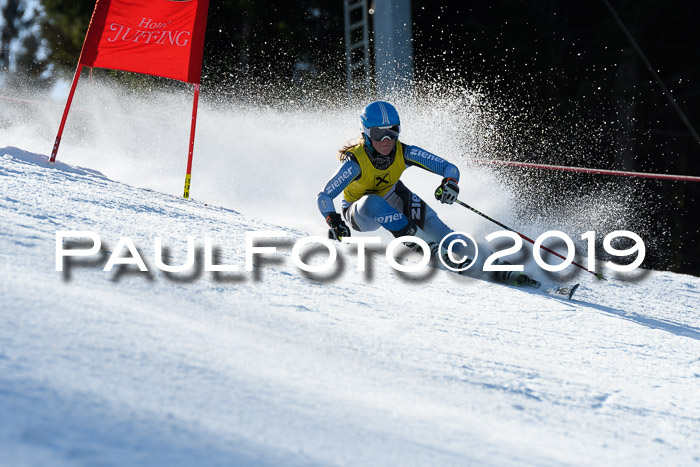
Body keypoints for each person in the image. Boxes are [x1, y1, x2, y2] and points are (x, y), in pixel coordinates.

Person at [317, 100, 537, 285]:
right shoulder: (355, 162)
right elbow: (325, 196)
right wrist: (335, 221)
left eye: (392, 132)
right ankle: (427, 247)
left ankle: (499, 266)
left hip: (395, 196)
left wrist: (450, 183)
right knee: (373, 202)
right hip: (359, 212)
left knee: (445, 234)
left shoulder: (404, 152)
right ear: (365, 133)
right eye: (378, 133)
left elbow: (449, 168)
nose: (386, 140)